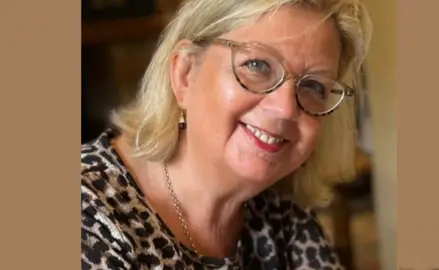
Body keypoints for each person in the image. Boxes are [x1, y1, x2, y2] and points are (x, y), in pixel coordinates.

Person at [81, 0, 372, 269]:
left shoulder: (283, 215)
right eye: (257, 65)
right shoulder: (88, 219)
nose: (285, 108)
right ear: (185, 73)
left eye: (314, 87)